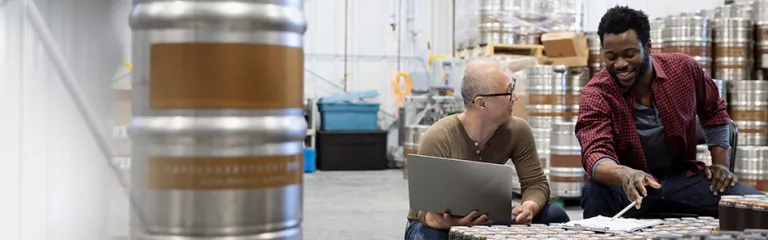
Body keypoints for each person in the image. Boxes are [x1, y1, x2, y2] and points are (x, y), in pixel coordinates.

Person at [575, 6, 764, 219]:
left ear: (647, 47)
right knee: (595, 191)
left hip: (682, 180)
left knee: (755, 208)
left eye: (629, 54)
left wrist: (720, 165)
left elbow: (714, 111)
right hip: (629, 190)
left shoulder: (683, 69)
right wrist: (625, 174)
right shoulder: (596, 93)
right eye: (611, 56)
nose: (620, 64)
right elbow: (595, 153)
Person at [404, 59, 570, 240]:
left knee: (554, 215)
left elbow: (536, 183)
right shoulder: (439, 137)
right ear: (482, 103)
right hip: (436, 225)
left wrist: (529, 206)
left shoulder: (518, 130)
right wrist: (446, 223)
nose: (515, 97)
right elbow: (423, 206)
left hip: (488, 218)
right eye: (509, 91)